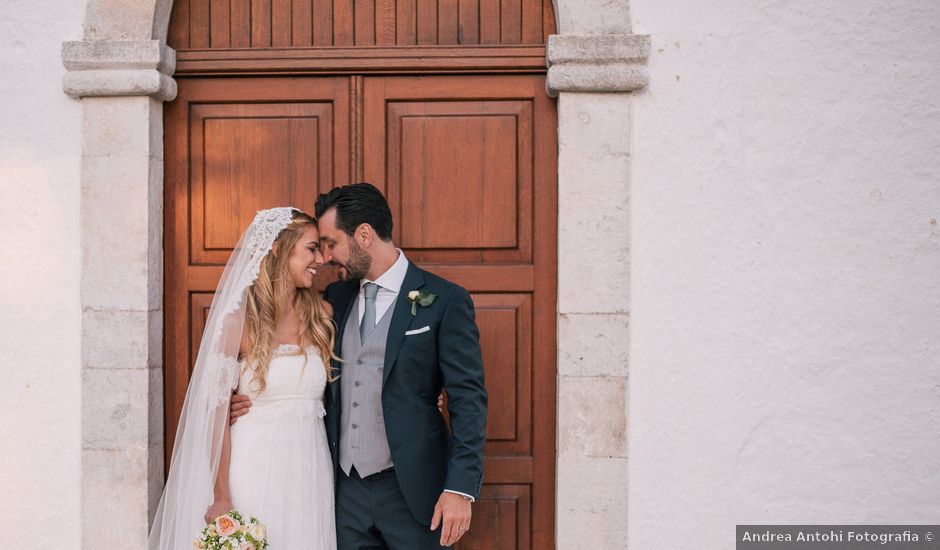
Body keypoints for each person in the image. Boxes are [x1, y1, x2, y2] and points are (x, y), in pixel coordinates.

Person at [231, 183, 488, 549]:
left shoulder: (444, 300)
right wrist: (230, 400)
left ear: (364, 235)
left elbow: (468, 399)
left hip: (413, 492)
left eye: (331, 243)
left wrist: (460, 488)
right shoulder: (333, 299)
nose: (325, 257)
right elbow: (290, 367)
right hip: (340, 492)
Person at [149, 207, 338, 549]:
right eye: (312, 248)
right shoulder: (237, 321)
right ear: (280, 248)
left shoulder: (322, 316)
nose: (321, 258)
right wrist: (221, 494)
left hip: (309, 470)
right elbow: (216, 415)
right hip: (253, 466)